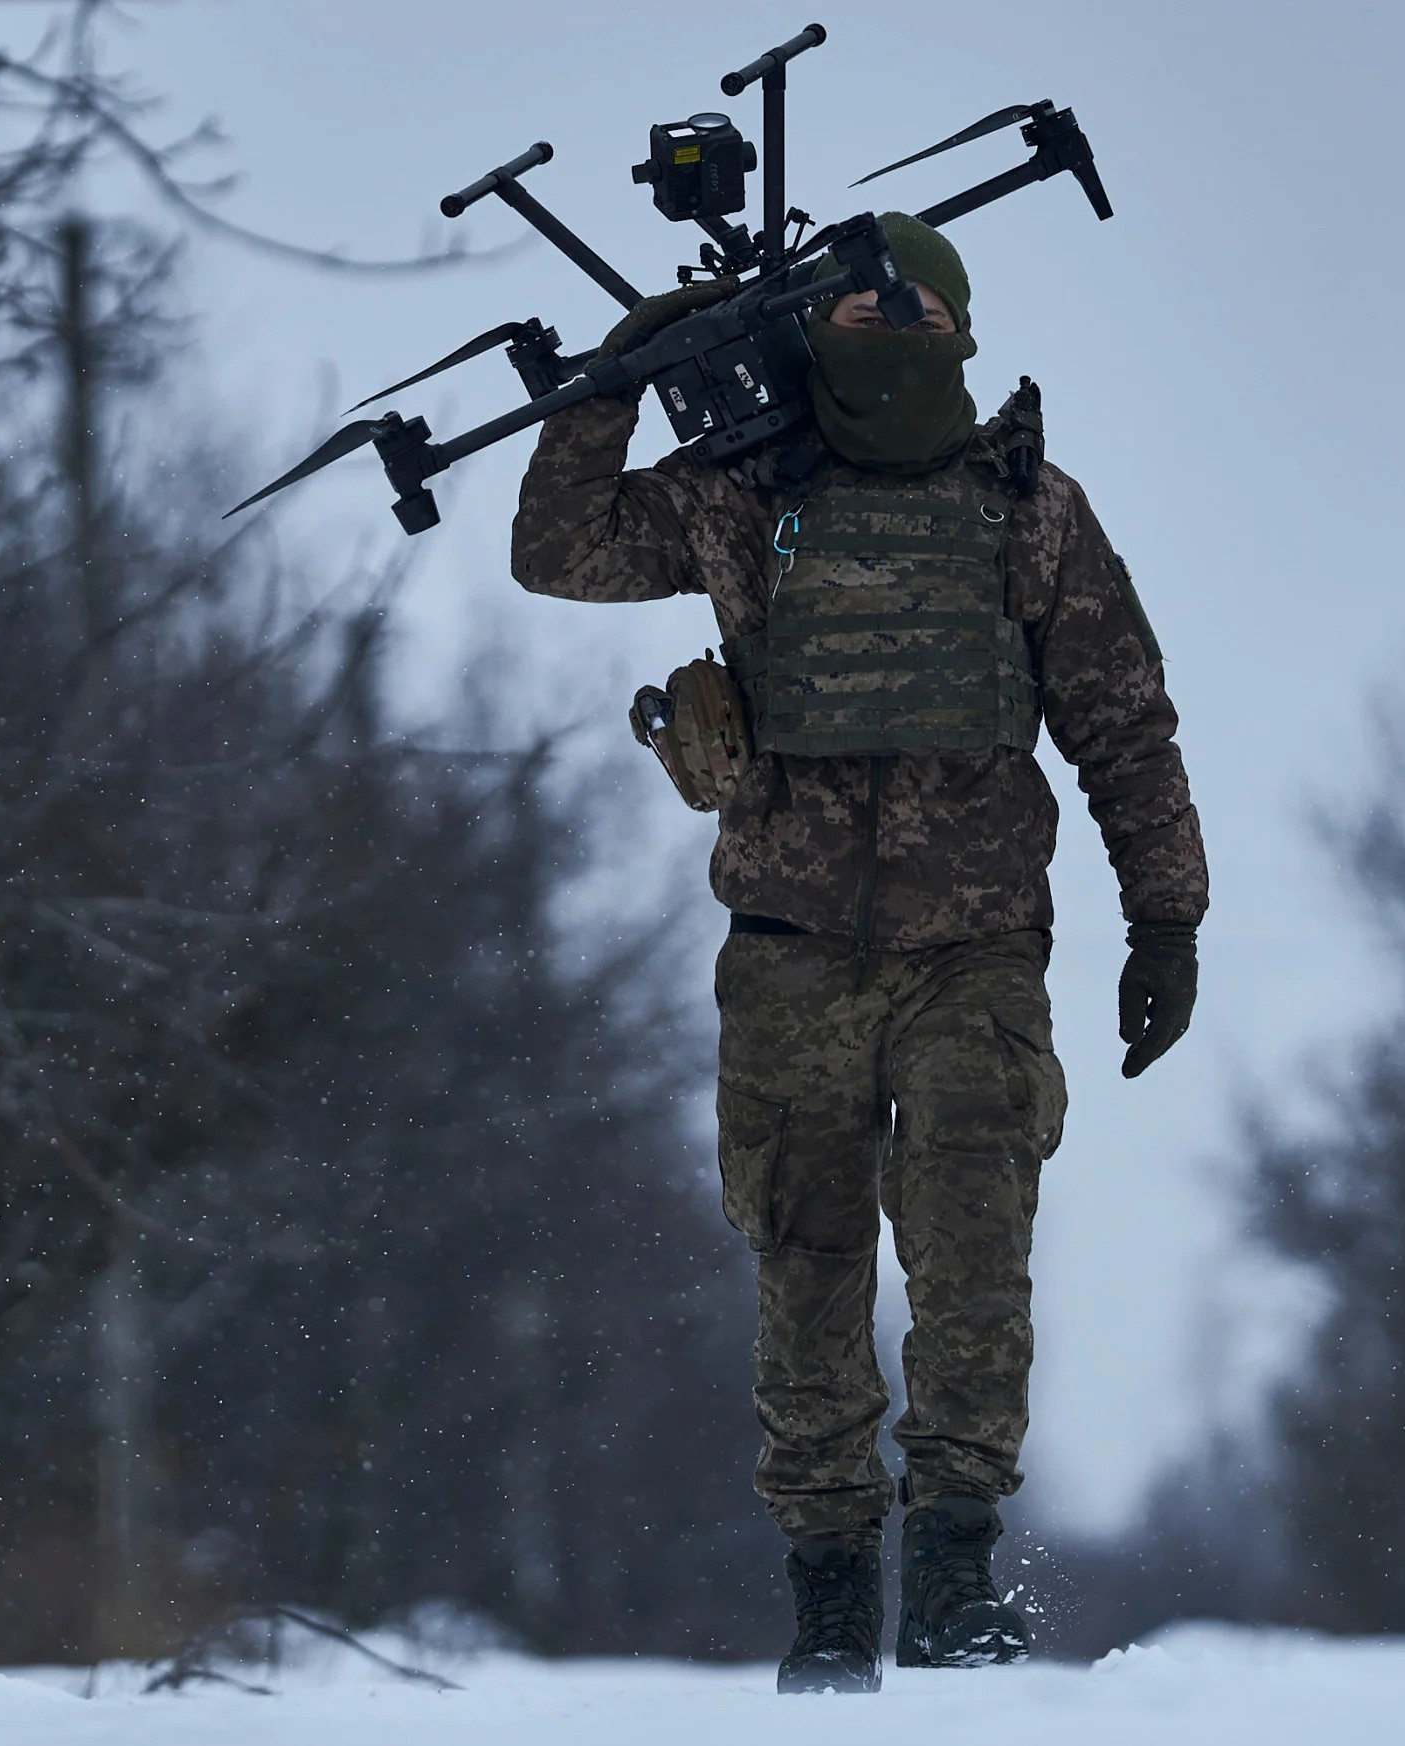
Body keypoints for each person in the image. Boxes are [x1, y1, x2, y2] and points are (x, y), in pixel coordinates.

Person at [510, 213, 1206, 1692]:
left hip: (975, 954)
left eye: (919, 327)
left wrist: (1169, 917)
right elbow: (556, 549)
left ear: (963, 336)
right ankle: (831, 1593)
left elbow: (1123, 719)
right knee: (805, 1260)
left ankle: (952, 1574)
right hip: (790, 949)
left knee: (971, 1256)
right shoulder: (742, 486)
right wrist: (608, 387)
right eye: (865, 324)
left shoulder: (1029, 507)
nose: (892, 352)